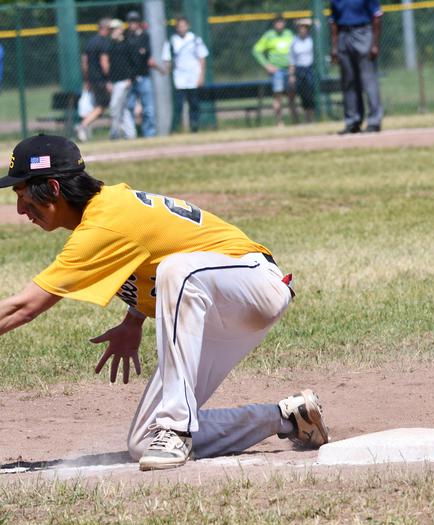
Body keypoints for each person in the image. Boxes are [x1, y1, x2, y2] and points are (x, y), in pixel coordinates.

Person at [0, 134, 330, 470]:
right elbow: (156, 251)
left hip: (253, 284)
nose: (20, 209)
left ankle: (176, 428)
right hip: (212, 307)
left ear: (53, 189)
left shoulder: (105, 222)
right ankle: (289, 418)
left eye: (23, 195)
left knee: (178, 270)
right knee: (143, 442)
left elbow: (22, 307)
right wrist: (133, 320)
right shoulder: (104, 211)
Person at [330, 0, 384, 134]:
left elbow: (377, 16)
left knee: (368, 80)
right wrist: (335, 47)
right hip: (343, 35)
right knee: (348, 82)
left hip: (363, 32)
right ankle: (352, 121)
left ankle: (374, 121)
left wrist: (375, 44)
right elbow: (333, 22)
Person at [161, 16, 208, 133]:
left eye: (183, 26)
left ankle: (194, 126)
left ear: (188, 26)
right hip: (179, 77)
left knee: (194, 104)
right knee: (178, 104)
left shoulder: (195, 39)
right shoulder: (172, 40)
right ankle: (177, 127)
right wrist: (167, 69)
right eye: (179, 26)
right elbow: (167, 59)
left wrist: (201, 76)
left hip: (193, 76)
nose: (181, 28)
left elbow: (202, 58)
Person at [252, 15, 298, 127]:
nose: (279, 24)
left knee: (292, 95)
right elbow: (256, 50)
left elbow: (295, 50)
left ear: (284, 23)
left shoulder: (289, 34)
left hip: (289, 69)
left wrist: (294, 67)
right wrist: (267, 65)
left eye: (281, 22)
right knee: (278, 96)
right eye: (277, 22)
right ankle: (279, 122)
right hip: (277, 71)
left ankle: (295, 121)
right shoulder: (269, 35)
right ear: (274, 24)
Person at [125, 10, 164, 138]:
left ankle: (150, 134)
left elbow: (145, 55)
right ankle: (130, 134)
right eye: (130, 22)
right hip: (130, 78)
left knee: (148, 108)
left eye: (135, 21)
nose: (132, 24)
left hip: (143, 76)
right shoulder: (126, 37)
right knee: (129, 107)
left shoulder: (144, 36)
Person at [76, 19, 112, 142]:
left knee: (99, 105)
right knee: (102, 106)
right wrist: (109, 79)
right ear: (105, 28)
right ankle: (83, 125)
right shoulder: (104, 43)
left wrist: (87, 79)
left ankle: (84, 126)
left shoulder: (90, 42)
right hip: (102, 79)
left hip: (92, 79)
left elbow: (84, 63)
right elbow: (104, 62)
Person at [107, 19, 137, 140]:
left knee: (114, 106)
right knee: (123, 109)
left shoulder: (127, 44)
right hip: (115, 82)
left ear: (120, 30)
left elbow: (135, 63)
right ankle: (131, 134)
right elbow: (112, 66)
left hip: (124, 81)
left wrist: (130, 78)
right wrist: (110, 81)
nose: (112, 32)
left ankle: (114, 134)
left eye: (115, 29)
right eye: (111, 29)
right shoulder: (111, 45)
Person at [288, 18, 316, 124]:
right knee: (303, 95)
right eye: (300, 28)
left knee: (310, 94)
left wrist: (308, 21)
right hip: (299, 69)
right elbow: (292, 59)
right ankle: (305, 119)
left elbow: (319, 25)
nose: (302, 30)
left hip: (309, 68)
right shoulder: (294, 41)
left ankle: (311, 119)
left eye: (304, 28)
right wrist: (292, 75)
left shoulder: (312, 39)